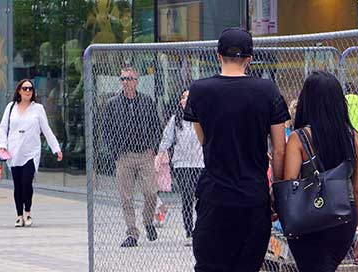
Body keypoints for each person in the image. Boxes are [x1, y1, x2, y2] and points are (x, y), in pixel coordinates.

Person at [184, 28, 289, 272]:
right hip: (253, 198)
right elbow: (280, 150)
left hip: (214, 196)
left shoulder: (199, 90)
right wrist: (278, 191)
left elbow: (204, 139)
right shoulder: (267, 91)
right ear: (250, 59)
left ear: (218, 55)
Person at [283, 71, 358, 271]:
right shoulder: (354, 139)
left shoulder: (299, 138)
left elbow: (290, 184)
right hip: (344, 220)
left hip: (307, 221)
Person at [102, 65, 163, 247]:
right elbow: (106, 130)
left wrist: (152, 147)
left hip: (144, 154)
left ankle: (147, 221)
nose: (126, 82)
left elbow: (156, 126)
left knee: (151, 191)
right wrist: (115, 152)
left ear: (137, 81)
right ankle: (132, 233)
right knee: (126, 197)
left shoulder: (147, 101)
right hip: (124, 155)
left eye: (129, 78)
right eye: (123, 79)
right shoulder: (112, 103)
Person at [0, 78, 62, 228]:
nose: (27, 91)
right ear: (19, 90)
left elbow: (46, 130)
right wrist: (2, 145)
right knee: (17, 185)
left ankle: (28, 212)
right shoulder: (11, 107)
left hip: (31, 152)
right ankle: (19, 216)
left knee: (27, 182)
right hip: (13, 152)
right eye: (25, 88)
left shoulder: (38, 109)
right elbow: (2, 128)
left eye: (30, 89)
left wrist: (56, 148)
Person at [159, 88, 204, 246]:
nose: (185, 100)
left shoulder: (204, 118)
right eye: (183, 97)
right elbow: (166, 139)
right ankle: (189, 231)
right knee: (187, 196)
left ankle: (201, 229)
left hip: (200, 164)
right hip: (182, 164)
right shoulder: (176, 120)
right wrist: (159, 156)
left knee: (201, 197)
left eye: (188, 97)